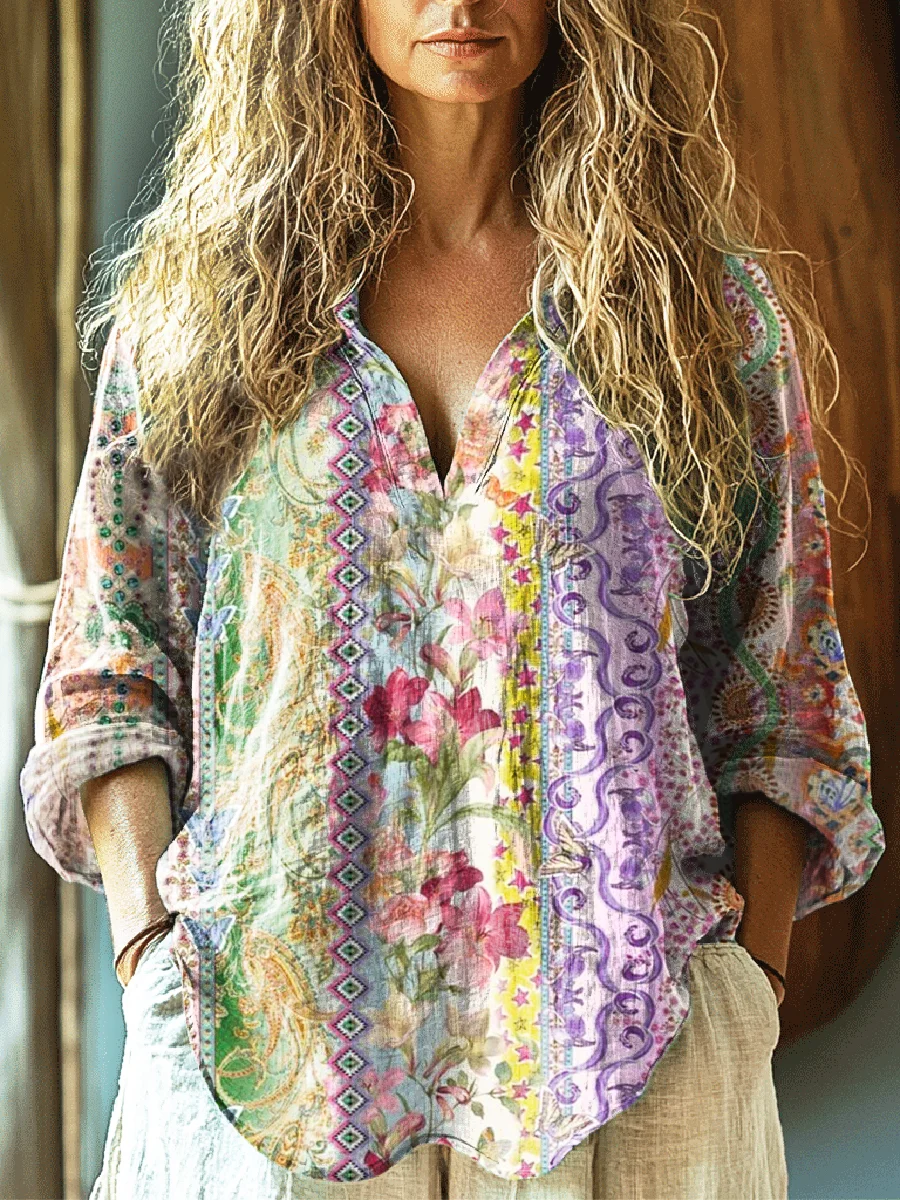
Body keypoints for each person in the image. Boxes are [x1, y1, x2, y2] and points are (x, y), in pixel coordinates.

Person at [20, 0, 885, 1197]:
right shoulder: (201, 312)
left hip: (629, 1072)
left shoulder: (699, 318)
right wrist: (149, 961)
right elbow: (109, 672)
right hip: (265, 1068)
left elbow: (782, 684)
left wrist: (752, 982)